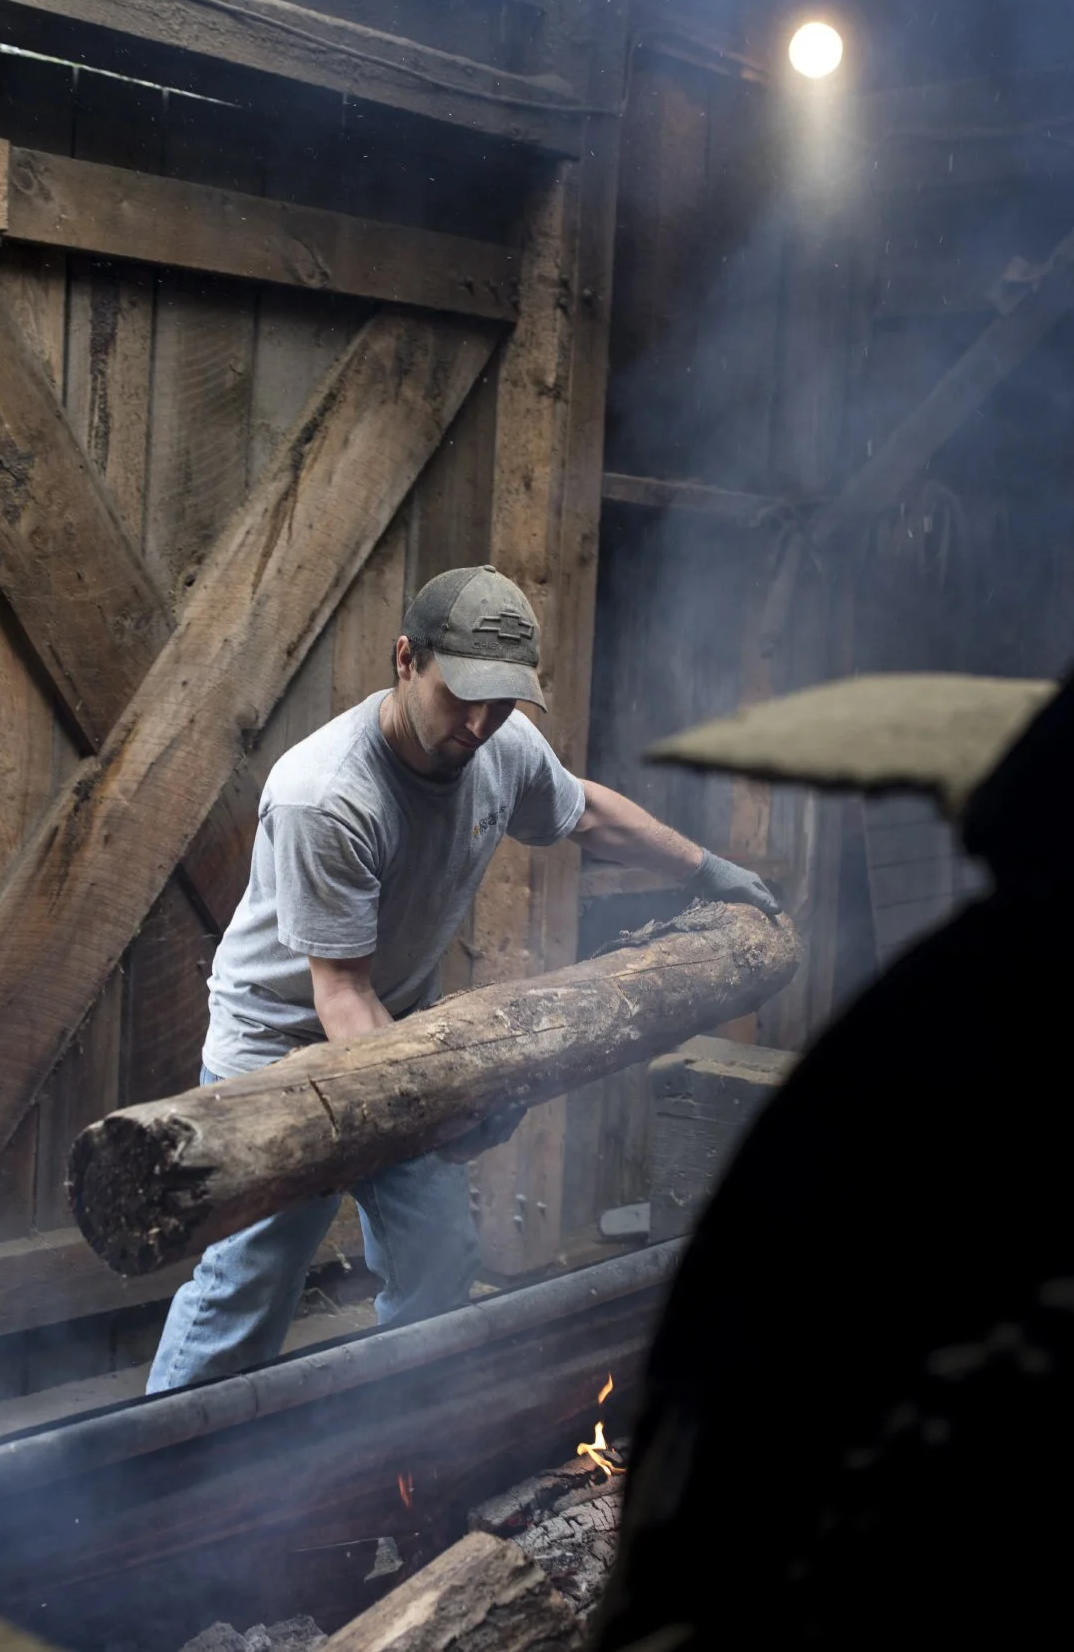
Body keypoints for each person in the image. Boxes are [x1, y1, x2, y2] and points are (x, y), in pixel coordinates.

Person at [147, 565, 780, 1393]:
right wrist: (443, 1109)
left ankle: (394, 1456)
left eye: (504, 701)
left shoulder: (500, 743)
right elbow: (338, 993)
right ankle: (155, 1492)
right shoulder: (328, 796)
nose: (480, 723)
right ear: (406, 659)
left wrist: (706, 870)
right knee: (250, 1284)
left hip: (392, 1032)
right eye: (462, 696)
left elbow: (583, 811)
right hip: (279, 1052)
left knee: (439, 1267)